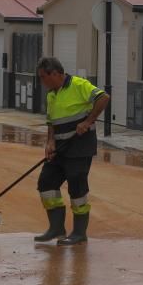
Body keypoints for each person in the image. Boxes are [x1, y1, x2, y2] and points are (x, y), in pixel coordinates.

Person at [34, 57, 109, 245]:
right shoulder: (52, 94)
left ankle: (79, 233)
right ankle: (56, 228)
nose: (41, 81)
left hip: (79, 146)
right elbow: (51, 122)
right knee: (46, 183)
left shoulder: (78, 85)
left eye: (43, 77)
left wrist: (87, 121)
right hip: (59, 148)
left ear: (55, 74)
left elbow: (103, 98)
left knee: (77, 186)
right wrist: (50, 142)